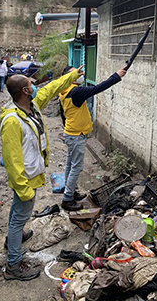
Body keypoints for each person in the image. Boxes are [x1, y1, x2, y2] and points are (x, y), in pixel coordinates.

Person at [0, 65, 84, 281]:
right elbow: (11, 159)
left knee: (18, 213)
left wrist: (72, 76)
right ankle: (13, 266)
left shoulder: (32, 106)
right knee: (20, 216)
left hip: (31, 173)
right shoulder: (12, 120)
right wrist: (22, 187)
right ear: (26, 92)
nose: (36, 86)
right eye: (31, 85)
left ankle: (13, 240)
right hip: (24, 178)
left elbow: (52, 87)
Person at [59, 66, 127, 211]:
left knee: (70, 164)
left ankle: (70, 191)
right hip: (76, 135)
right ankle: (67, 199)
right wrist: (117, 75)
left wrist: (69, 130)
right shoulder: (75, 92)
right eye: (76, 73)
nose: (81, 74)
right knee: (76, 167)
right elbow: (97, 88)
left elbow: (62, 114)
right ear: (68, 78)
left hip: (71, 133)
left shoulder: (63, 90)